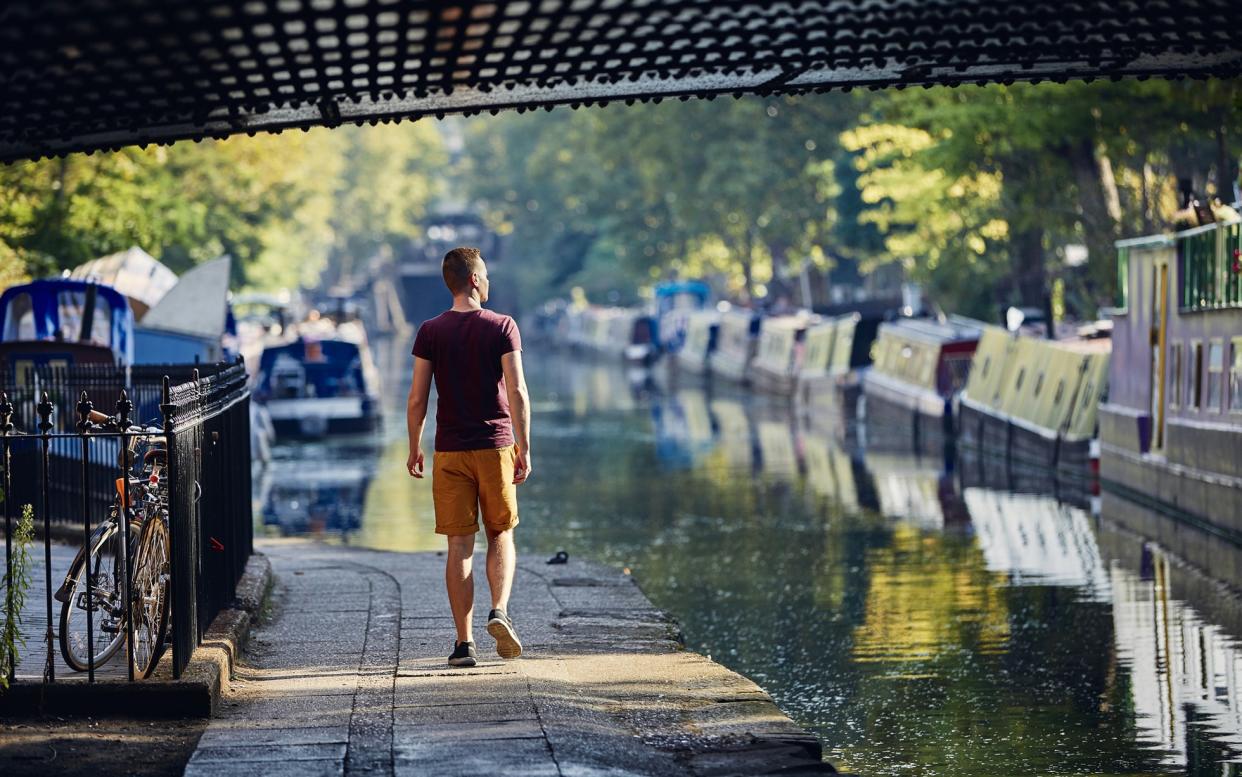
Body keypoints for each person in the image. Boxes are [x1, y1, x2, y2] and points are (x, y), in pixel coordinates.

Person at [406, 246, 532, 668]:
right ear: (475, 280)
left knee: (459, 545)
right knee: (500, 533)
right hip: (495, 446)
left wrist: (413, 447)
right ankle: (500, 610)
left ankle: (464, 644)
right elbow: (516, 391)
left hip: (449, 450)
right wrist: (524, 445)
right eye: (486, 275)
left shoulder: (430, 331)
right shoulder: (503, 326)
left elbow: (417, 399)